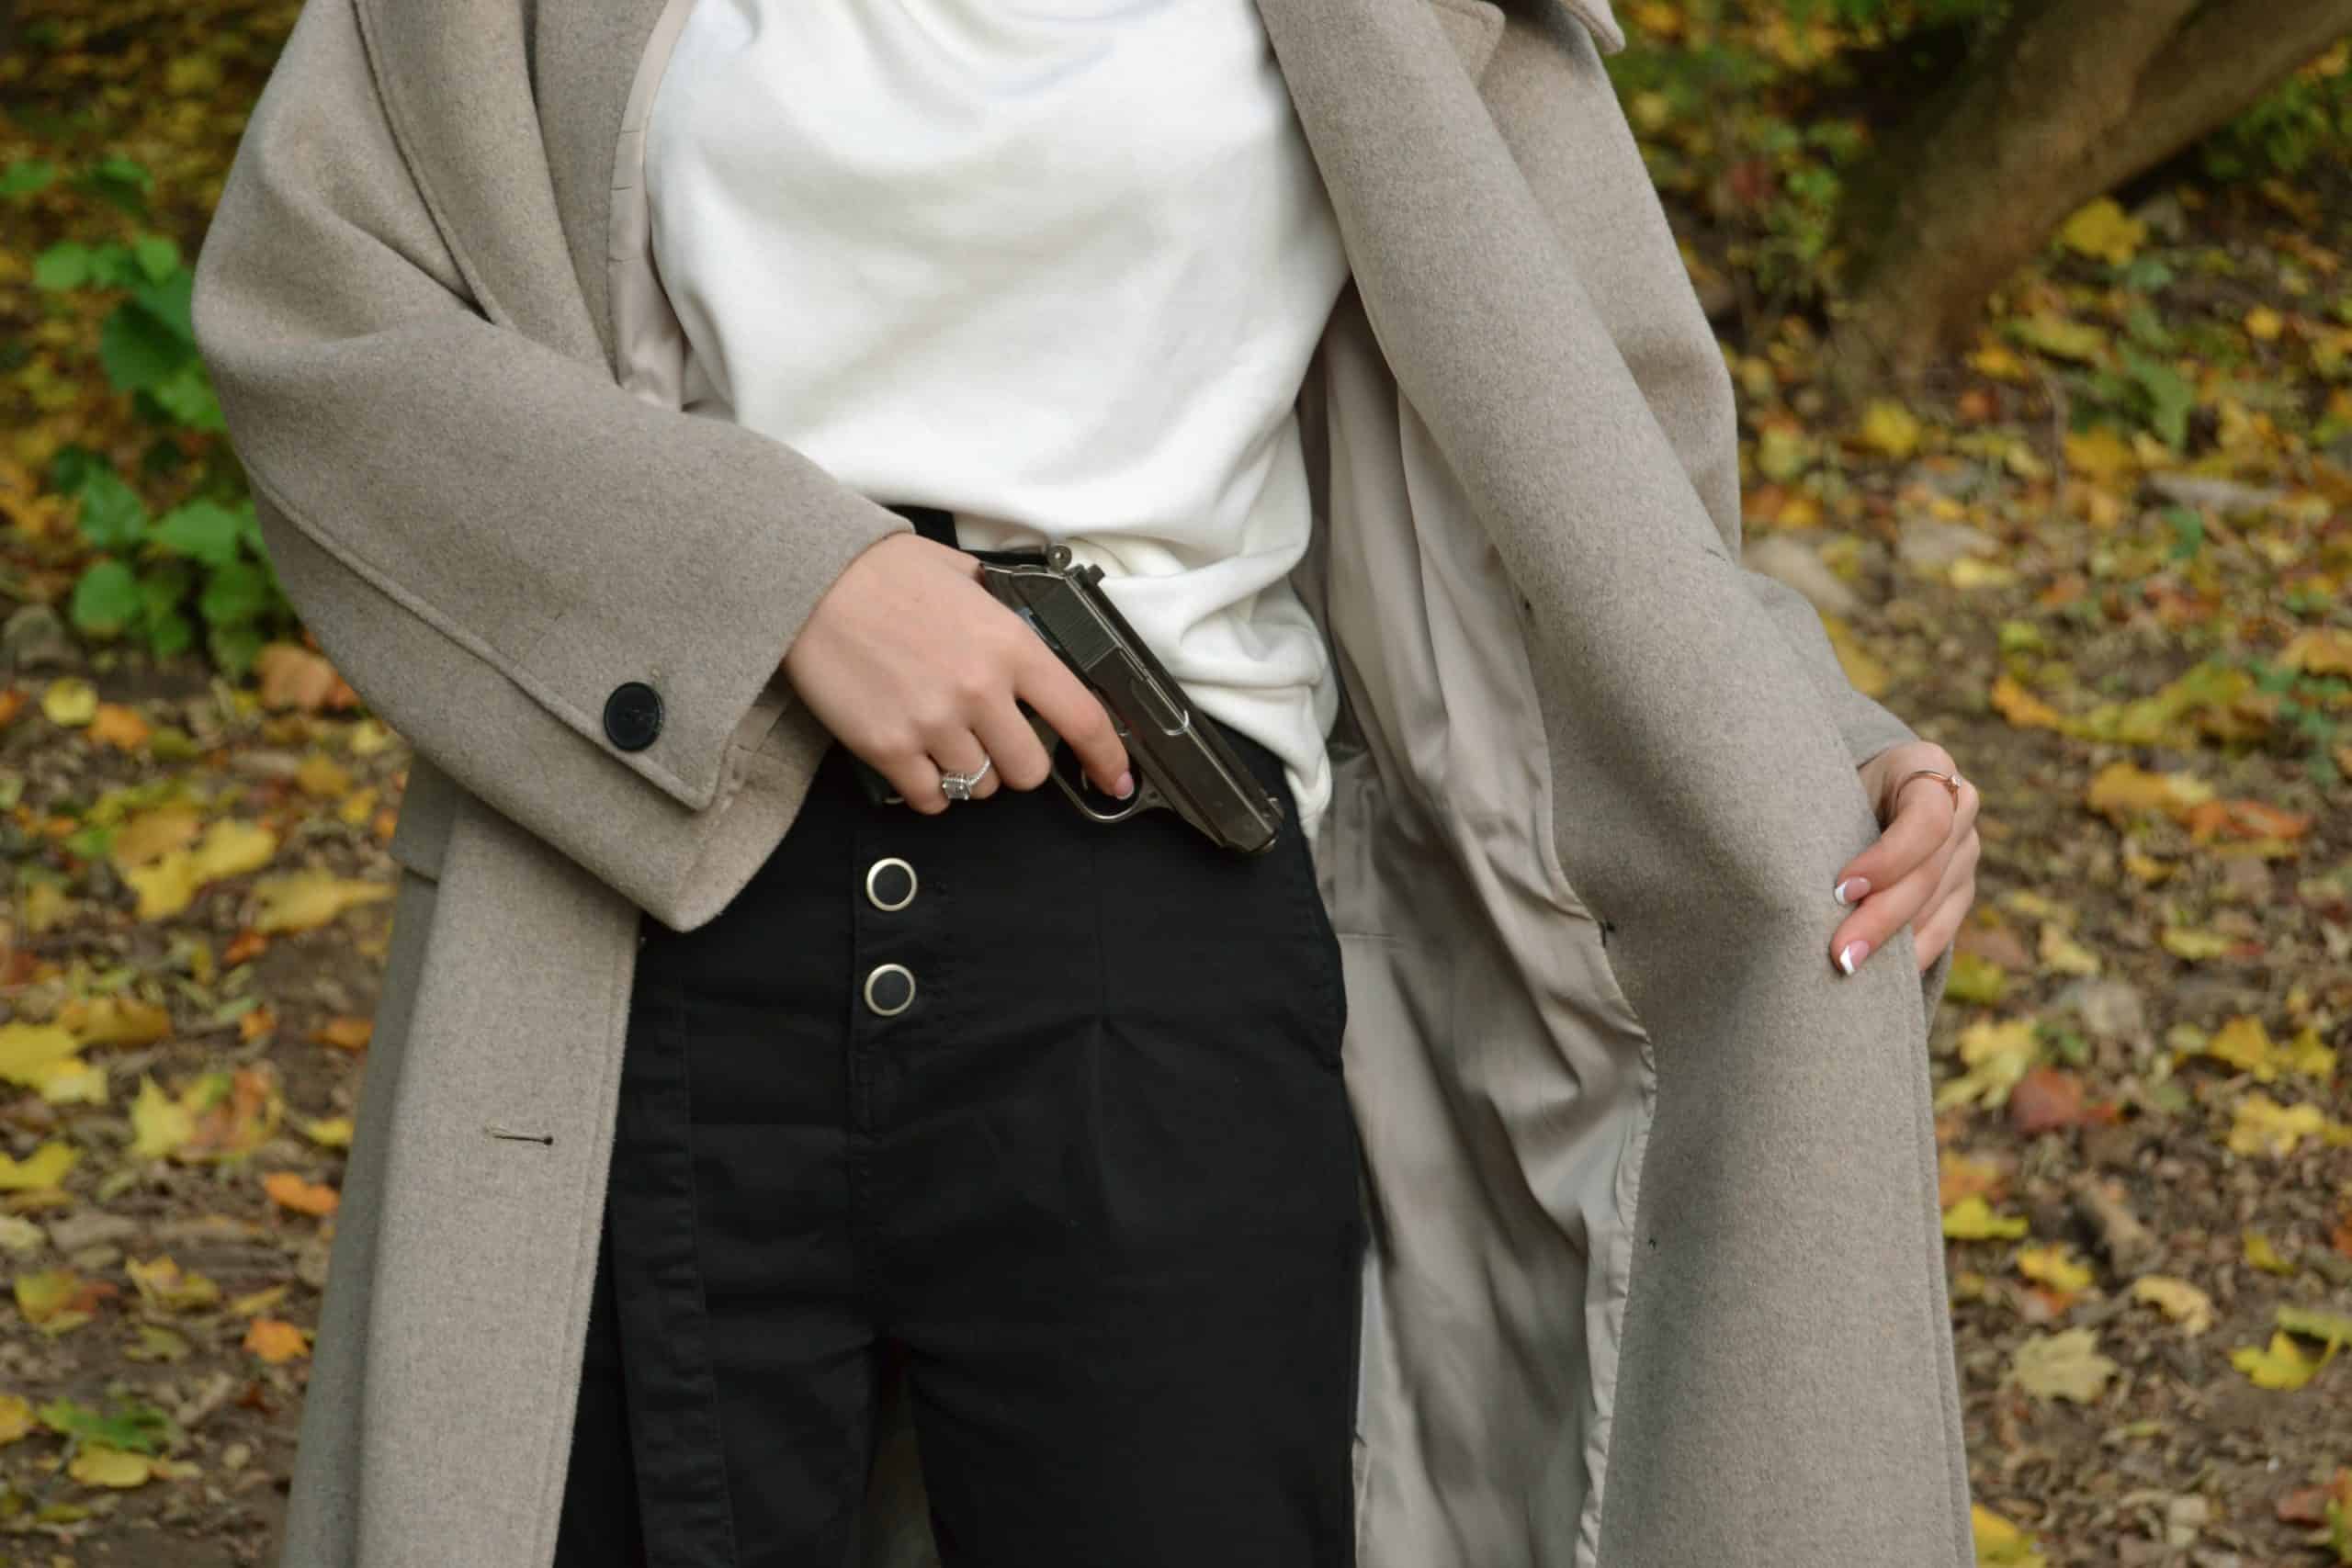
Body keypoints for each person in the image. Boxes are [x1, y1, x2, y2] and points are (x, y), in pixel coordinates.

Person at [189, 0, 1984, 1565]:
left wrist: (1816, 749)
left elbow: (1597, 481)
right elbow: (319, 313)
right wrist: (780, 579)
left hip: (1153, 929)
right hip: (644, 901)